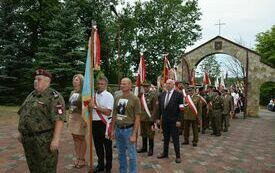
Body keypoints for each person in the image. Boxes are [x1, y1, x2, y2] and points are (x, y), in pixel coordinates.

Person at [17, 68, 66, 173]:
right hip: (28, 139)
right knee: (33, 166)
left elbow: (59, 119)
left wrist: (56, 139)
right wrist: (21, 132)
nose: (35, 81)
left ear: (47, 81)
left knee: (47, 168)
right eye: (35, 79)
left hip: (44, 140)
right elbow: (23, 113)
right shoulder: (31, 95)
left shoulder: (54, 97)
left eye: (39, 79)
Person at [111, 78, 141, 173]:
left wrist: (134, 134)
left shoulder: (135, 99)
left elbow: (137, 118)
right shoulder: (117, 97)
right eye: (121, 84)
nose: (122, 85)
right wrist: (112, 130)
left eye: (124, 84)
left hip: (129, 130)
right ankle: (122, 171)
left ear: (130, 85)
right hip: (118, 129)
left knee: (132, 154)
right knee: (121, 153)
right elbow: (114, 114)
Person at [90, 76, 114, 173]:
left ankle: (108, 167)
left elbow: (108, 112)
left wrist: (95, 107)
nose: (99, 86)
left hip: (105, 123)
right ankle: (100, 165)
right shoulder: (93, 95)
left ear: (106, 85)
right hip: (94, 122)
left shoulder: (109, 96)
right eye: (98, 84)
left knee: (107, 146)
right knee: (98, 146)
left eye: (102, 84)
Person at [157, 79, 183, 163]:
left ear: (173, 85)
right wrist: (158, 118)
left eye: (169, 83)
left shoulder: (178, 95)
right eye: (166, 83)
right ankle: (165, 153)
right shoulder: (162, 95)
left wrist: (179, 120)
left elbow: (181, 109)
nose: (167, 85)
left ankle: (178, 156)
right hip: (165, 121)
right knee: (166, 138)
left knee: (175, 139)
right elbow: (160, 109)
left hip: (174, 121)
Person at [68, 74, 87, 168]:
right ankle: (78, 157)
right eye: (74, 79)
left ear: (81, 81)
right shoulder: (72, 92)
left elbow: (86, 108)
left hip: (80, 117)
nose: (74, 81)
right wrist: (68, 118)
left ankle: (82, 159)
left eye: (76, 80)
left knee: (81, 138)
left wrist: (85, 120)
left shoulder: (84, 93)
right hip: (72, 117)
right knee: (75, 138)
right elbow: (70, 106)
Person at [137, 81, 158, 156]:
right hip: (142, 117)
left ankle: (151, 149)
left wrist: (153, 119)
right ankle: (144, 147)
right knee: (143, 133)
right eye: (144, 87)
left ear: (149, 87)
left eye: (146, 86)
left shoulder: (153, 95)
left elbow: (155, 108)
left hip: (150, 118)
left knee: (150, 134)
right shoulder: (141, 95)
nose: (145, 88)